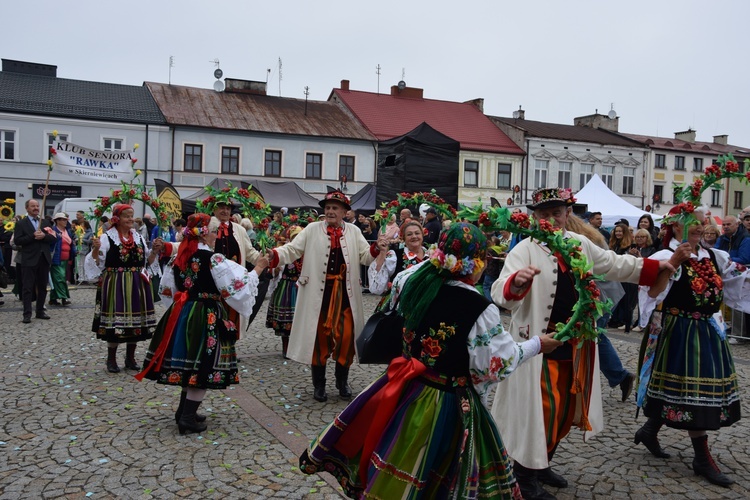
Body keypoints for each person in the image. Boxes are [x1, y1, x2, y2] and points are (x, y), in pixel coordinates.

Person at [299, 222, 563, 497]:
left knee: (398, 451)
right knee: (438, 472)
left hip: (406, 386)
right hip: (446, 399)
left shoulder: (409, 279)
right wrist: (537, 345)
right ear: (478, 261)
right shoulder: (478, 307)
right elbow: (495, 364)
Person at [490, 187, 672, 500]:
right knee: (541, 410)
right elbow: (498, 291)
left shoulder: (578, 244)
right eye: (544, 214)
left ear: (567, 214)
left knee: (564, 410)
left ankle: (542, 462)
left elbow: (614, 264)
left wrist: (653, 269)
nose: (550, 219)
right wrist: (516, 283)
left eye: (556, 213)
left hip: (575, 345)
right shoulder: (525, 249)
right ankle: (524, 475)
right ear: (535, 218)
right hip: (538, 345)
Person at [634, 208, 745, 487]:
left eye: (702, 222)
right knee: (692, 393)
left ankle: (649, 430)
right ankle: (702, 459)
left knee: (680, 392)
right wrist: (674, 261)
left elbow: (734, 285)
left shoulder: (714, 256)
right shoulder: (663, 255)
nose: (700, 227)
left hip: (707, 330)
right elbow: (652, 293)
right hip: (680, 332)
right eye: (693, 222)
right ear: (676, 225)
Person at [137, 213, 268, 434]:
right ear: (205, 235)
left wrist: (187, 300)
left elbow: (169, 290)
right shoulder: (213, 259)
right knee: (202, 367)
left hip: (183, 312)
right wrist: (259, 268)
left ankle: (183, 411)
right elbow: (236, 286)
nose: (217, 236)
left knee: (190, 364)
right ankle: (187, 418)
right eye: (215, 232)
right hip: (206, 314)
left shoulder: (180, 257)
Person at [268, 190, 376, 402]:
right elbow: (292, 250)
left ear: (345, 211)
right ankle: (319, 385)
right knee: (319, 339)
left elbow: (365, 257)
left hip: (345, 295)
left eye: (335, 208)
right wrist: (274, 255)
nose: (330, 211)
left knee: (346, 337)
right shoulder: (312, 229)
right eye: (327, 208)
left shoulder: (353, 231)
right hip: (319, 296)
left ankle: (341, 381)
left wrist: (375, 249)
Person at [85, 204, 163, 373]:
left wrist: (155, 252)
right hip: (116, 283)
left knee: (135, 321)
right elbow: (97, 262)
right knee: (116, 321)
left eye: (132, 216)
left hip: (137, 284)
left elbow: (146, 263)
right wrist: (96, 248)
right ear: (116, 219)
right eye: (127, 216)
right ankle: (111, 359)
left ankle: (130, 358)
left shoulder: (138, 238)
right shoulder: (107, 237)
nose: (131, 219)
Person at [14, 199, 56, 324]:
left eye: (37, 206)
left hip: (43, 258)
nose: (36, 208)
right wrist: (32, 236)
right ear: (27, 208)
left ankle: (40, 311)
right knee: (27, 287)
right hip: (29, 259)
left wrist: (44, 236)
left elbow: (53, 238)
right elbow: (18, 241)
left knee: (42, 286)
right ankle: (27, 313)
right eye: (33, 206)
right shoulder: (21, 223)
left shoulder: (45, 222)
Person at [266, 225, 304, 359]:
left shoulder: (305, 252)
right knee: (286, 320)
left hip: (301, 287)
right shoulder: (285, 250)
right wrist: (275, 269)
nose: (297, 239)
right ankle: (286, 348)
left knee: (301, 320)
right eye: (295, 237)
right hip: (286, 286)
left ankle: (299, 348)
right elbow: (275, 267)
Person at [368, 220, 427, 298]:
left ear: (422, 235)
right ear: (403, 238)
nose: (414, 236)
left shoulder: (432, 254)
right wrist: (382, 252)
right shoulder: (394, 256)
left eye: (417, 233)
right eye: (409, 234)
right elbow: (376, 287)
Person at [609, 222, 639, 332]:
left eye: (620, 231)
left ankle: (627, 324)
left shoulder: (630, 245)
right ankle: (617, 320)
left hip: (627, 275)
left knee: (627, 301)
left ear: (624, 232)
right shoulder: (614, 244)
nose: (618, 233)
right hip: (617, 275)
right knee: (618, 299)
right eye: (616, 231)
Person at [48, 212, 76, 306]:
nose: (65, 221)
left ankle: (53, 298)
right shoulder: (53, 231)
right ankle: (64, 297)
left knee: (58, 278)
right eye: (63, 220)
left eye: (65, 220)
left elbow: (71, 243)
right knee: (60, 278)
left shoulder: (67, 231)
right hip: (56, 258)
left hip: (66, 258)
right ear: (57, 221)